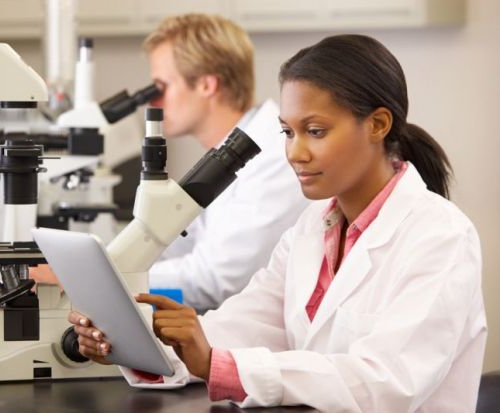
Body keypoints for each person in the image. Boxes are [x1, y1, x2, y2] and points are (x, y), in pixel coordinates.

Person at [68, 34, 488, 411]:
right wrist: (139, 342)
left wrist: (220, 363)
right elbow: (243, 326)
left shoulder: (440, 236)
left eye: (316, 131)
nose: (295, 153)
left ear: (377, 124)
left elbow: (385, 384)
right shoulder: (312, 230)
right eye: (288, 132)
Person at [32, 14, 308, 312]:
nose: (153, 102)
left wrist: (82, 278)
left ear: (206, 85)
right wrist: (93, 264)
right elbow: (172, 248)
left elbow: (215, 280)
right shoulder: (226, 150)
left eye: (160, 88)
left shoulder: (273, 154)